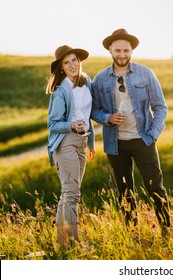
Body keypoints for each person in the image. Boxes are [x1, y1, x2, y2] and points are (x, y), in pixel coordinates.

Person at [91, 28, 170, 237]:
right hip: (116, 143)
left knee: (155, 187)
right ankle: (132, 235)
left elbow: (160, 107)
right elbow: (93, 110)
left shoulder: (146, 73)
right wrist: (107, 118)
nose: (122, 55)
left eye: (126, 50)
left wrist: (152, 134)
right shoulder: (99, 80)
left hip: (143, 139)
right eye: (118, 50)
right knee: (125, 193)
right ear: (110, 50)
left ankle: (166, 231)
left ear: (132, 51)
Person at [46, 45, 95, 246]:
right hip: (65, 142)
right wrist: (71, 125)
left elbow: (89, 115)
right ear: (61, 68)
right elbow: (52, 124)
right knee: (72, 194)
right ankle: (73, 241)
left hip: (81, 142)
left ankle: (61, 242)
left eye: (74, 60)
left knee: (67, 193)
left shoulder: (87, 82)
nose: (72, 65)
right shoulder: (60, 91)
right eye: (67, 63)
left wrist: (90, 143)